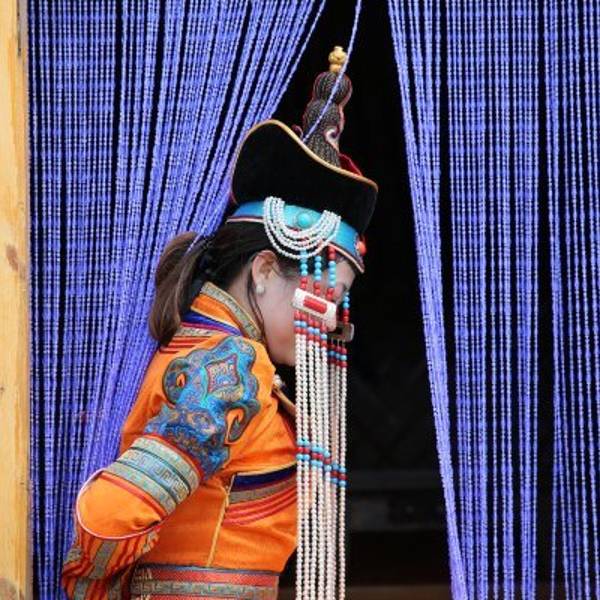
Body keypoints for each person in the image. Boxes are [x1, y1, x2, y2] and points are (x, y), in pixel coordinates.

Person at [61, 46, 378, 600]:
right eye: (324, 292)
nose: (329, 318)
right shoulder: (228, 367)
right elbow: (111, 517)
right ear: (264, 270)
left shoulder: (206, 350)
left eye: (339, 303)